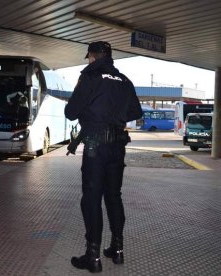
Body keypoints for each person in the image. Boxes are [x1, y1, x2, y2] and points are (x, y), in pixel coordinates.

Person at [64, 41, 142, 273]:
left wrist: (94, 113)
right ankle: (117, 250)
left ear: (93, 56)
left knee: (91, 198)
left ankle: (93, 256)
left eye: (88, 57)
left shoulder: (90, 76)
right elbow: (135, 112)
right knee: (113, 197)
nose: (88, 61)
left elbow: (70, 112)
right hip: (118, 146)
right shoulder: (124, 80)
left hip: (96, 146)